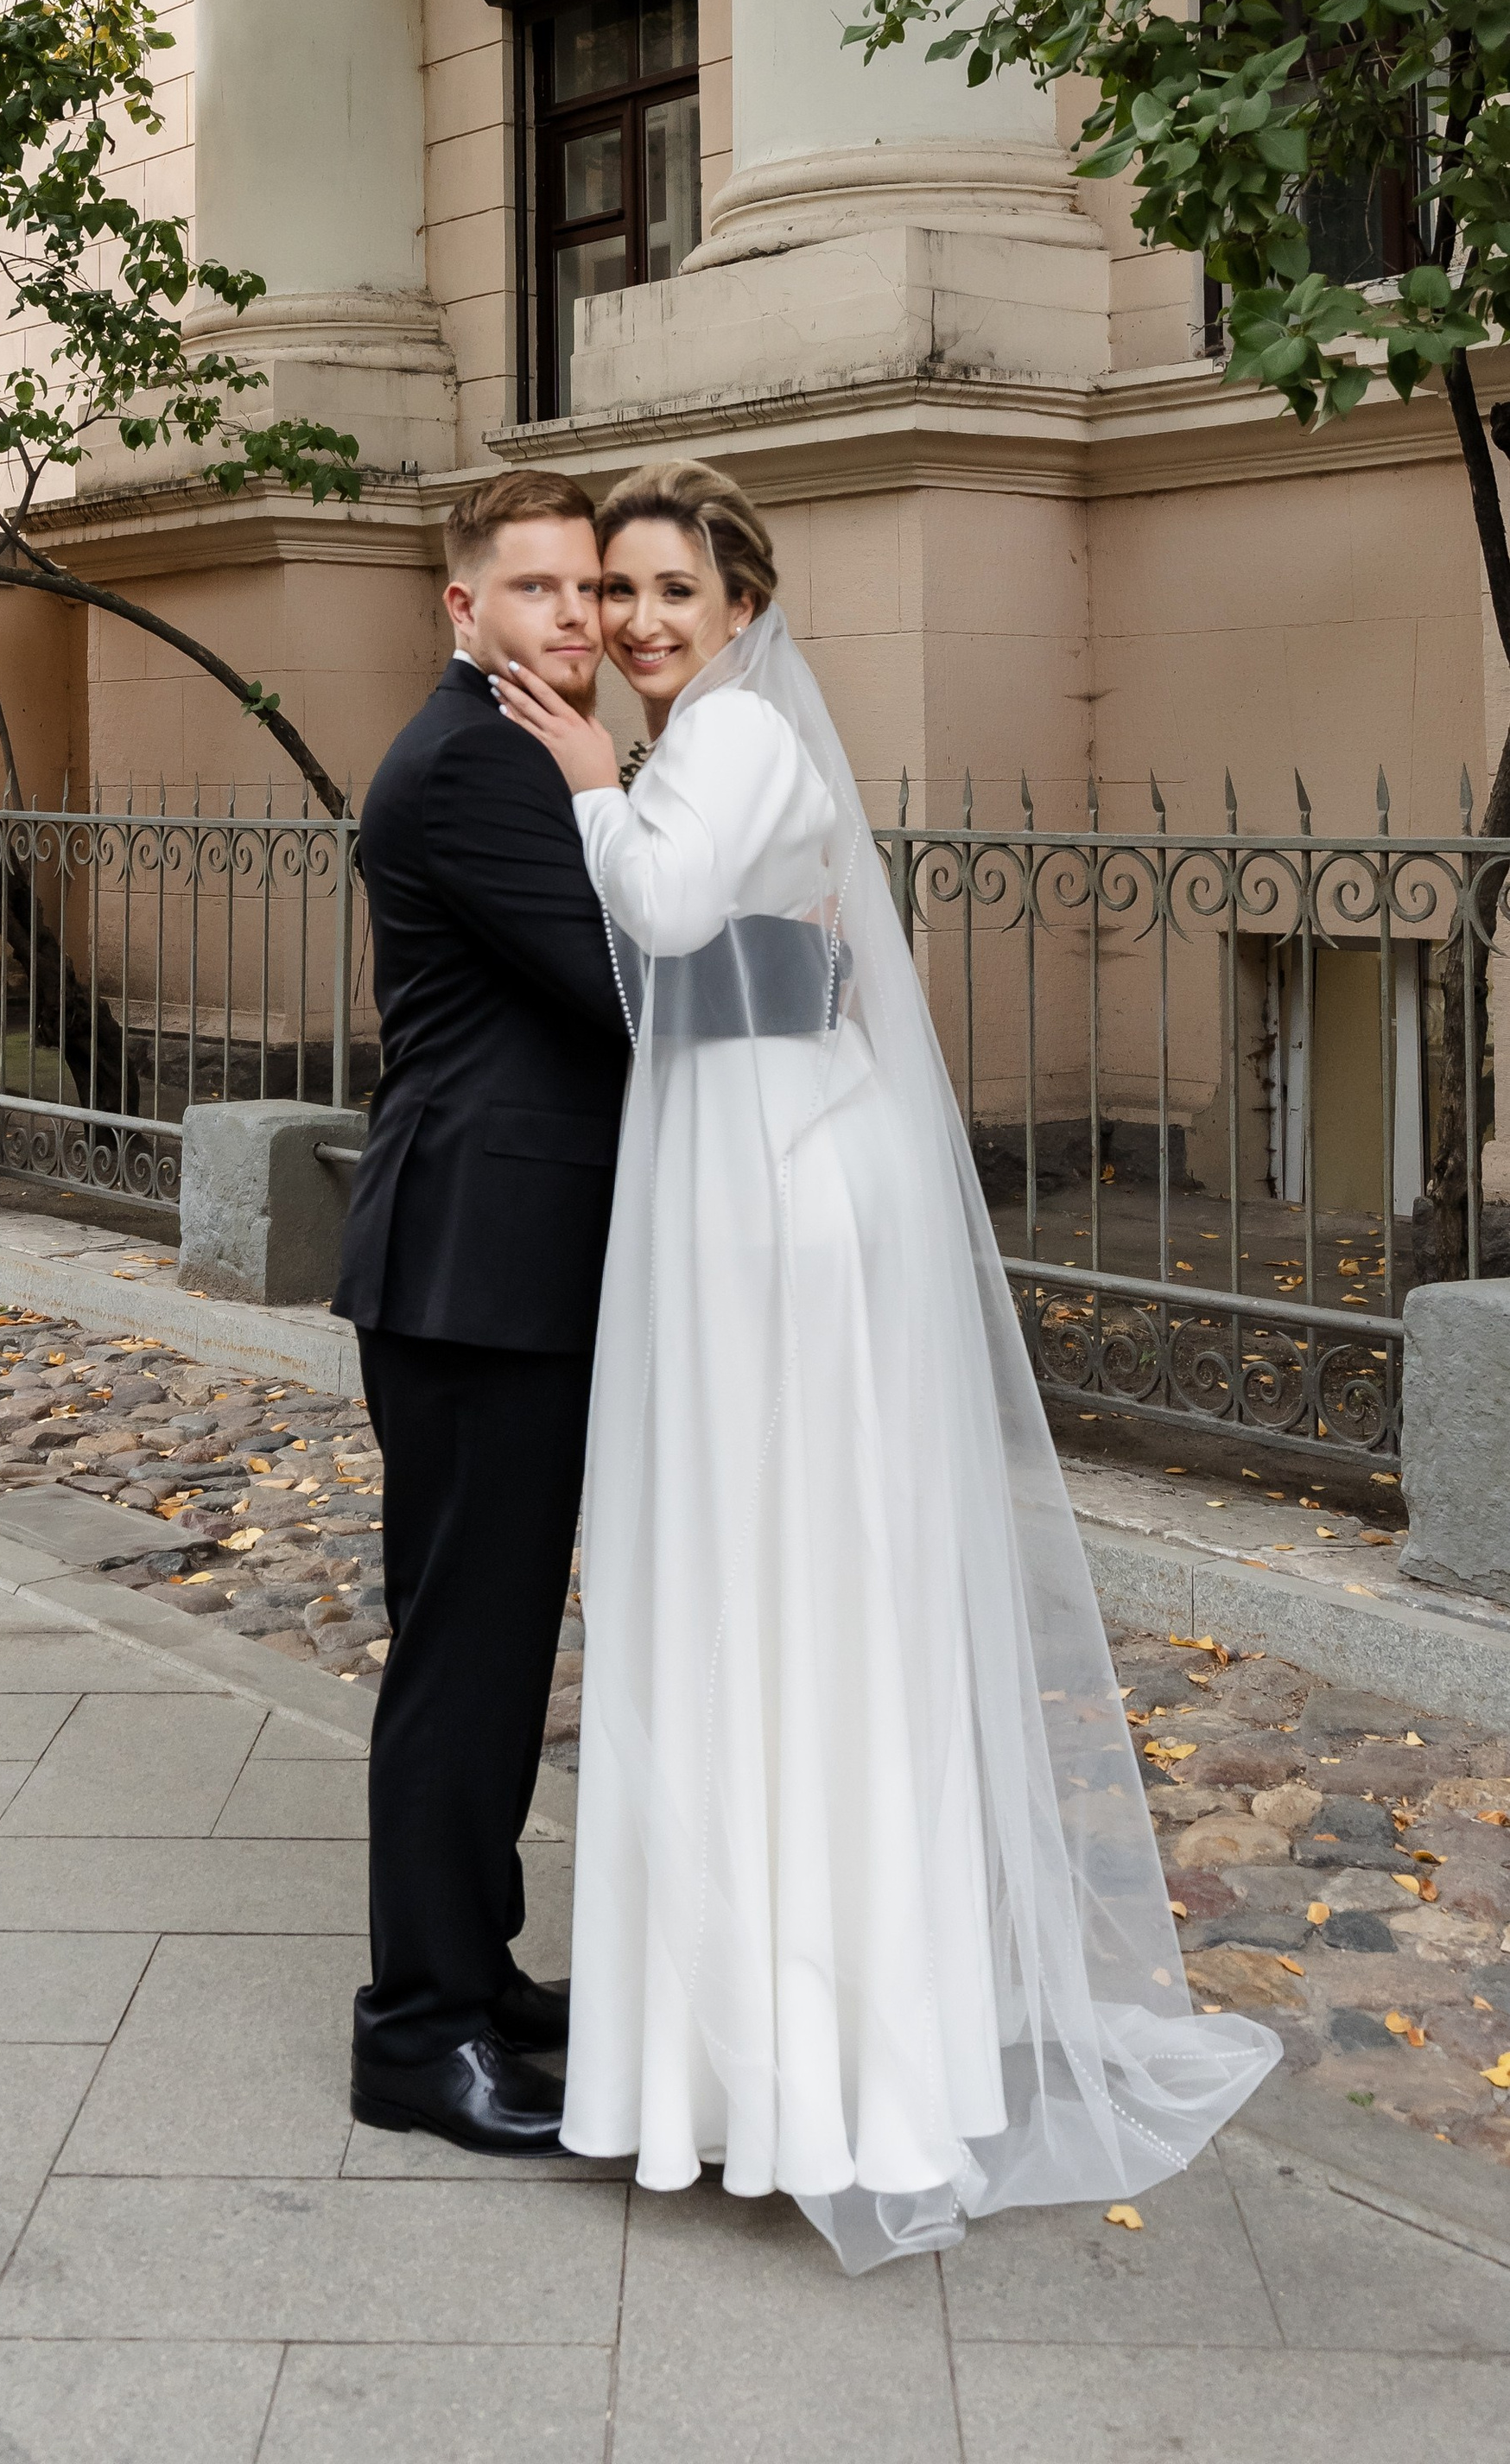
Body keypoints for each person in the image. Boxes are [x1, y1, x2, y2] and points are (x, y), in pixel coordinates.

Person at [495, 458, 1279, 2273]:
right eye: (612, 592)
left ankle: (815, 2067)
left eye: (668, 592)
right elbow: (739, 957)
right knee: (746, 1578)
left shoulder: (730, 741)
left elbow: (675, 915)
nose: (629, 621)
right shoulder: (708, 744)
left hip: (770, 1188)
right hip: (742, 1135)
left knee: (779, 1579)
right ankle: (758, 2060)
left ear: (744, 606)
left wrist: (590, 779)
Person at [333, 467, 634, 2156]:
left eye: (587, 590)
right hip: (471, 1281)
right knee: (464, 1659)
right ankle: (418, 2031)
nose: (574, 619)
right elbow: (625, 988)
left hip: (507, 1272)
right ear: (462, 609)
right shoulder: (470, 767)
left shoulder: (520, 755)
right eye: (536, 591)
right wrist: (814, 968)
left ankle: (474, 1964)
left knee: (496, 1652)